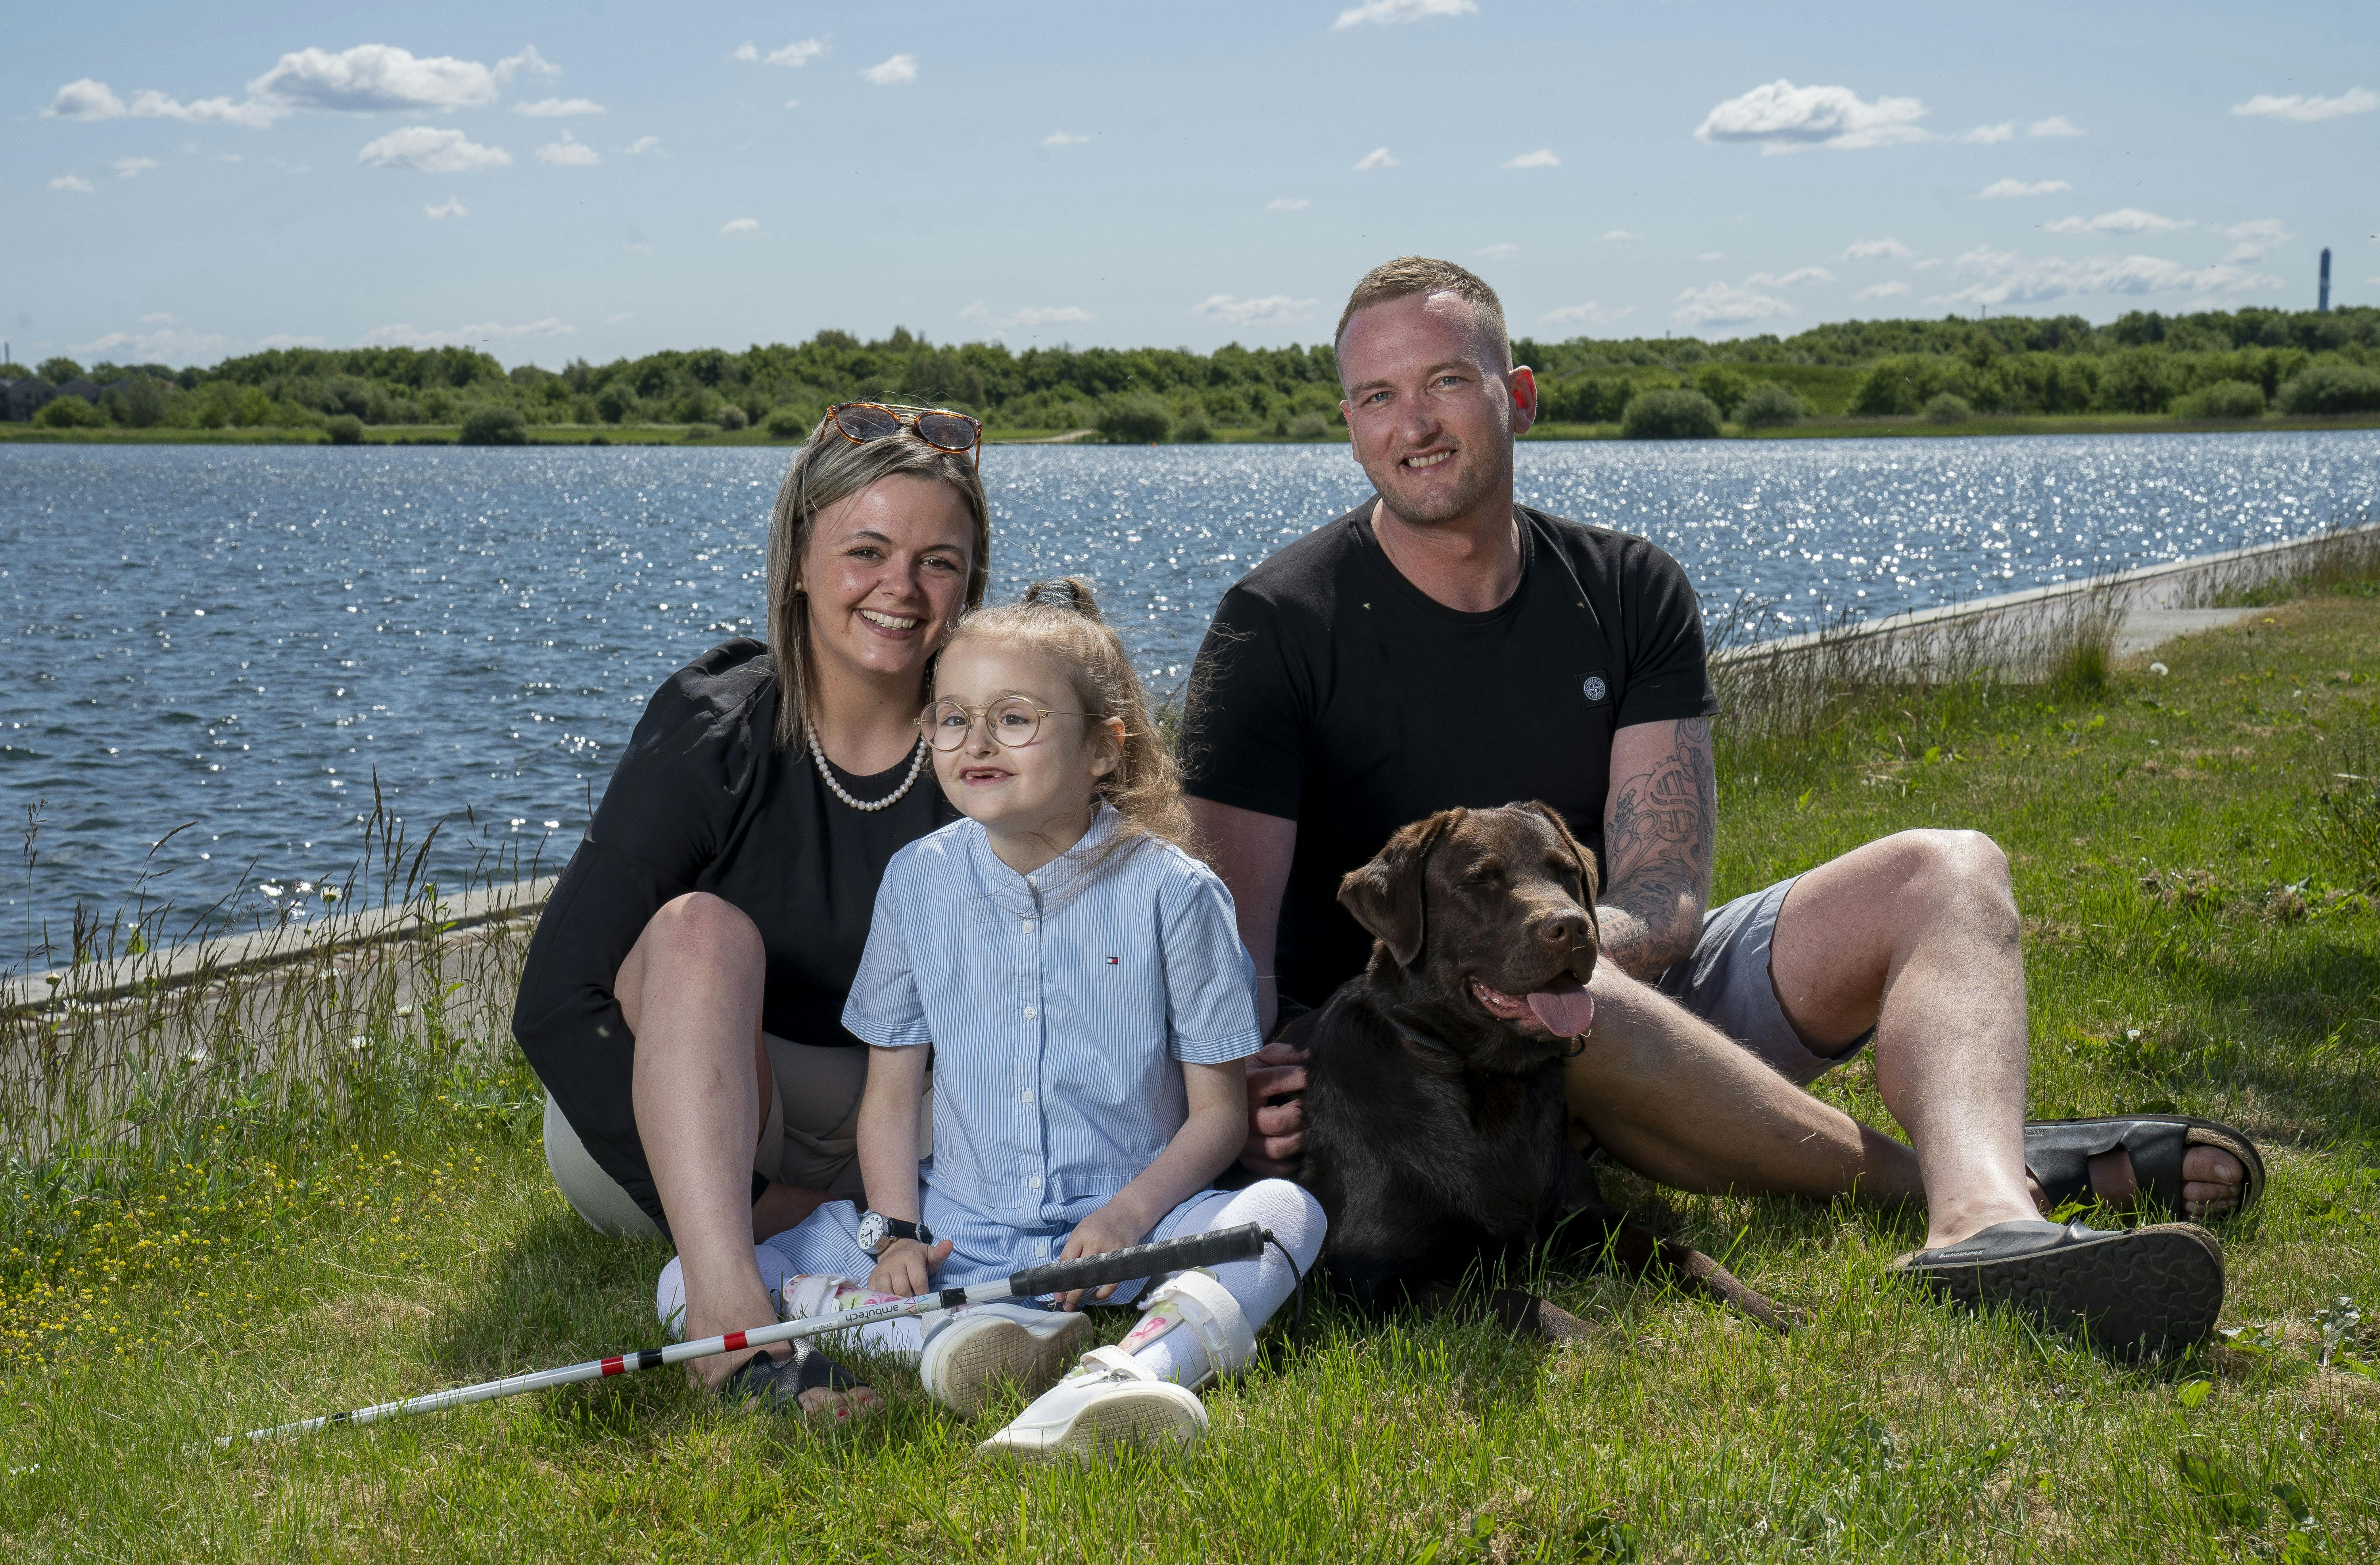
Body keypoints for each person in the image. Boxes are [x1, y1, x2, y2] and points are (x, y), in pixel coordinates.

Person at [1178, 257, 2257, 1345]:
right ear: (1352, 425)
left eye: (1446, 382)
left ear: (1518, 395)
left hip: (1615, 990)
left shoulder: (1626, 587)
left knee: (1948, 865)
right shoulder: (1277, 625)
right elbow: (1228, 950)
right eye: (1377, 397)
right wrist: (1249, 1094)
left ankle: (1984, 1223)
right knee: (1550, 971)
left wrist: (1558, 950)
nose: (1413, 423)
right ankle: (2000, 1173)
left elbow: (1662, 892)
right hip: (1424, 1064)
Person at [749, 577, 1324, 1460]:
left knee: (1286, 1213)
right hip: (960, 1233)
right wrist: (897, 1230)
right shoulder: (917, 883)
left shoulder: (1178, 894)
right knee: (701, 1274)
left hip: (1134, 1231)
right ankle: (951, 1343)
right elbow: (893, 1093)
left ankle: (1126, 1370)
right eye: (950, 718)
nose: (974, 741)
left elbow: (1219, 1116)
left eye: (1014, 718)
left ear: (1102, 748)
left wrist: (1130, 1218)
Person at [512, 402, 993, 1420]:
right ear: (799, 560)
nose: (900, 590)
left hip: (902, 1139)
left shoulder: (989, 743)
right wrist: (740, 1204)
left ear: (971, 582)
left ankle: (837, 1253)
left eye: (937, 561)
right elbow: (558, 1001)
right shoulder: (714, 727)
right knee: (698, 928)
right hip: (698, 1123)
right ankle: (730, 1337)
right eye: (866, 549)